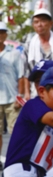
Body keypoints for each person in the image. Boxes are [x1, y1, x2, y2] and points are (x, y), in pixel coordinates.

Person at [0, 22, 25, 155]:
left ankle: (15, 157)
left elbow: (21, 76)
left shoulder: (14, 53)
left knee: (15, 131)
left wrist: (19, 96)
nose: (0, 35)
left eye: (2, 32)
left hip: (11, 98)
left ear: (6, 35)